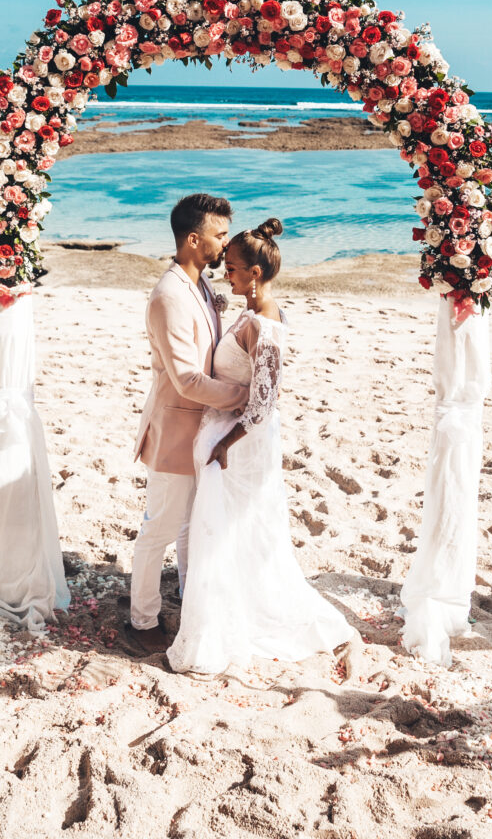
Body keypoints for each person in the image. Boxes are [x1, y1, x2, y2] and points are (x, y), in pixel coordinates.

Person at [167, 218, 362, 677]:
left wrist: (225, 445)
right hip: (225, 435)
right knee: (223, 530)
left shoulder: (265, 322)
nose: (224, 273)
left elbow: (265, 401)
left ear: (255, 274)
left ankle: (229, 620)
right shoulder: (249, 311)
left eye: (232, 268)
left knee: (231, 529)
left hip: (241, 445)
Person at [127, 194, 249, 654]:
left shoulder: (198, 286)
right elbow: (187, 379)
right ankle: (141, 621)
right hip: (176, 430)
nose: (225, 243)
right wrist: (245, 398)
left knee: (189, 527)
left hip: (204, 430)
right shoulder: (169, 296)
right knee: (159, 528)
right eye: (219, 235)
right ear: (194, 240)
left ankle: (188, 601)